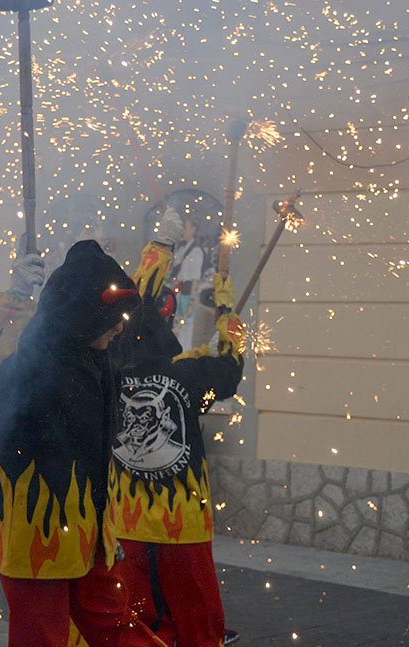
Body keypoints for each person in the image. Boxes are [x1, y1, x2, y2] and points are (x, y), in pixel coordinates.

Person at [0, 239, 166, 647]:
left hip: (91, 531)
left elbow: (135, 308)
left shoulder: (98, 353)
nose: (120, 327)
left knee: (116, 628)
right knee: (44, 638)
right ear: (85, 314)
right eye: (111, 318)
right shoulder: (33, 355)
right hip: (37, 530)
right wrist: (16, 300)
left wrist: (159, 251)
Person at [107, 234, 244, 647]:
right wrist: (226, 311)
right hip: (181, 526)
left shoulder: (108, 371)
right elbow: (231, 367)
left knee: (132, 621)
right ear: (167, 328)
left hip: (125, 520)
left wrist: (157, 253)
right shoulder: (190, 372)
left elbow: (131, 305)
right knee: (199, 623)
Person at [169, 216, 205, 351]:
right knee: (178, 327)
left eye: (186, 228)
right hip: (180, 292)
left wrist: (191, 302)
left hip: (188, 293)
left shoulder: (196, 252)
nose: (183, 231)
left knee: (186, 329)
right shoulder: (182, 249)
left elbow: (195, 279)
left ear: (193, 230)